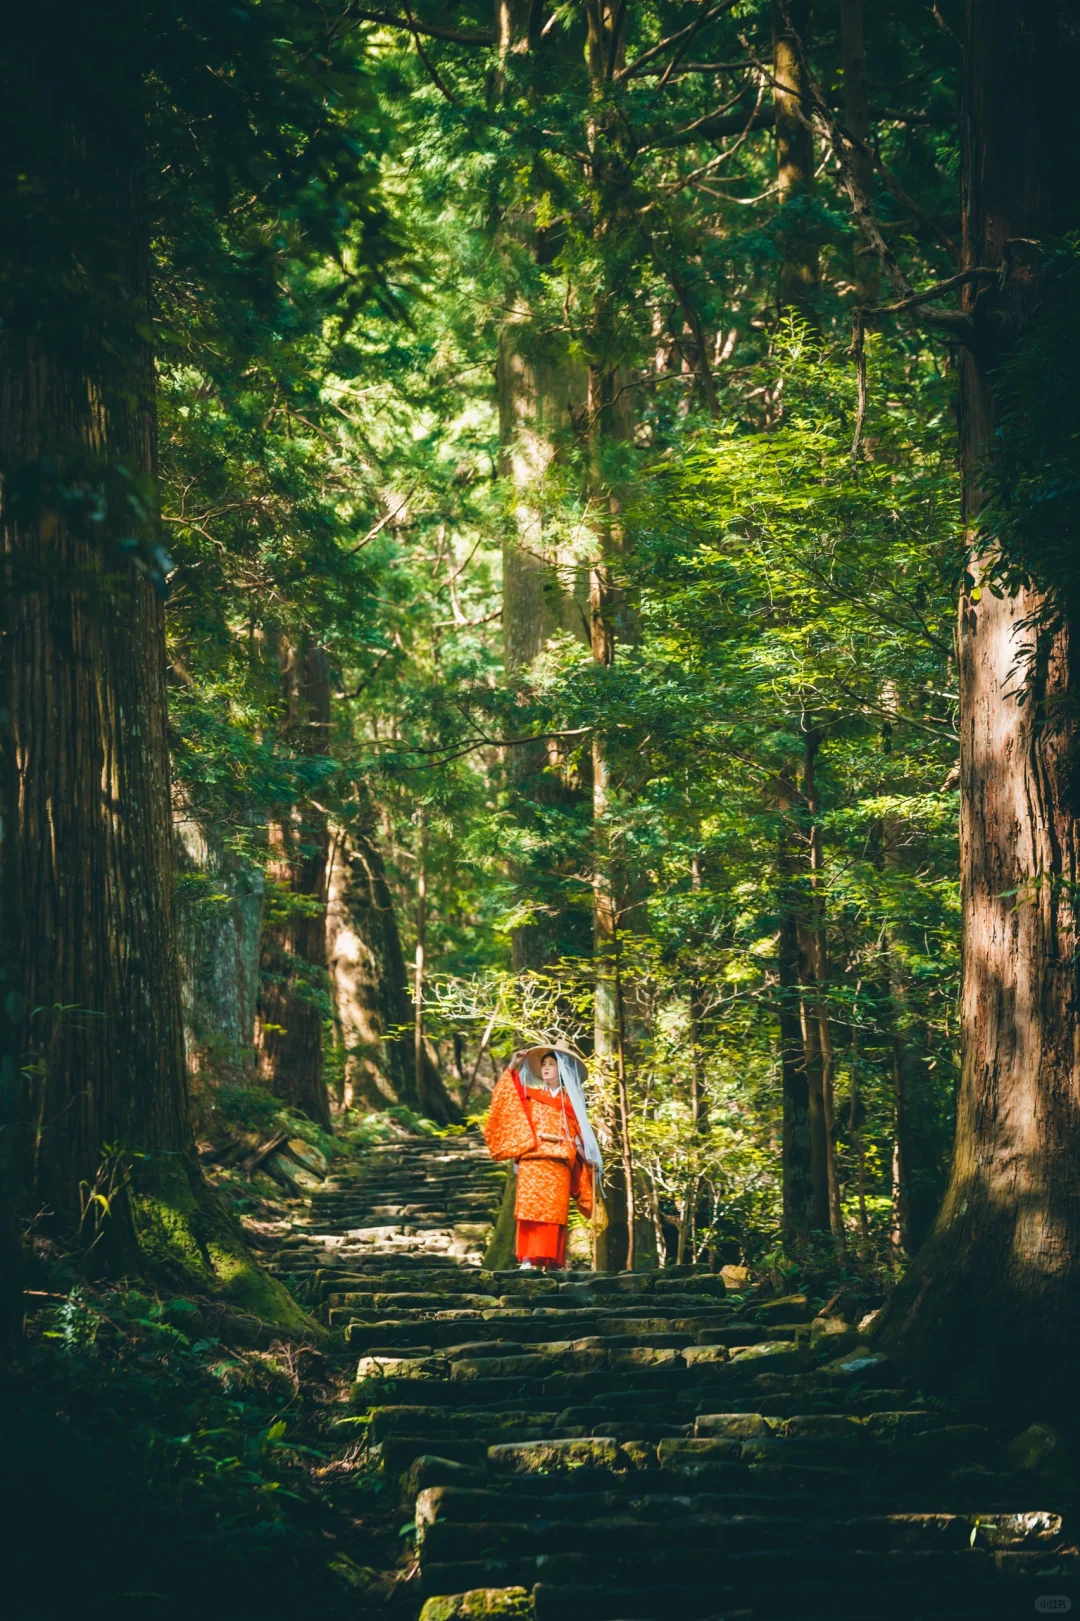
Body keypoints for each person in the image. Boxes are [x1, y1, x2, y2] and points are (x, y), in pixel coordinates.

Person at [483, 1045, 603, 1271]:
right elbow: (507, 1095)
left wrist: (588, 1159)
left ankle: (552, 1261)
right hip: (533, 1160)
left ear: (563, 1070)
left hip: (559, 1164)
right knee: (529, 1211)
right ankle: (527, 1259)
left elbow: (577, 1136)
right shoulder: (532, 1097)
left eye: (552, 1064)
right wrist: (513, 1064)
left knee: (554, 1213)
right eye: (545, 1064)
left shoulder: (572, 1103)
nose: (546, 1068)